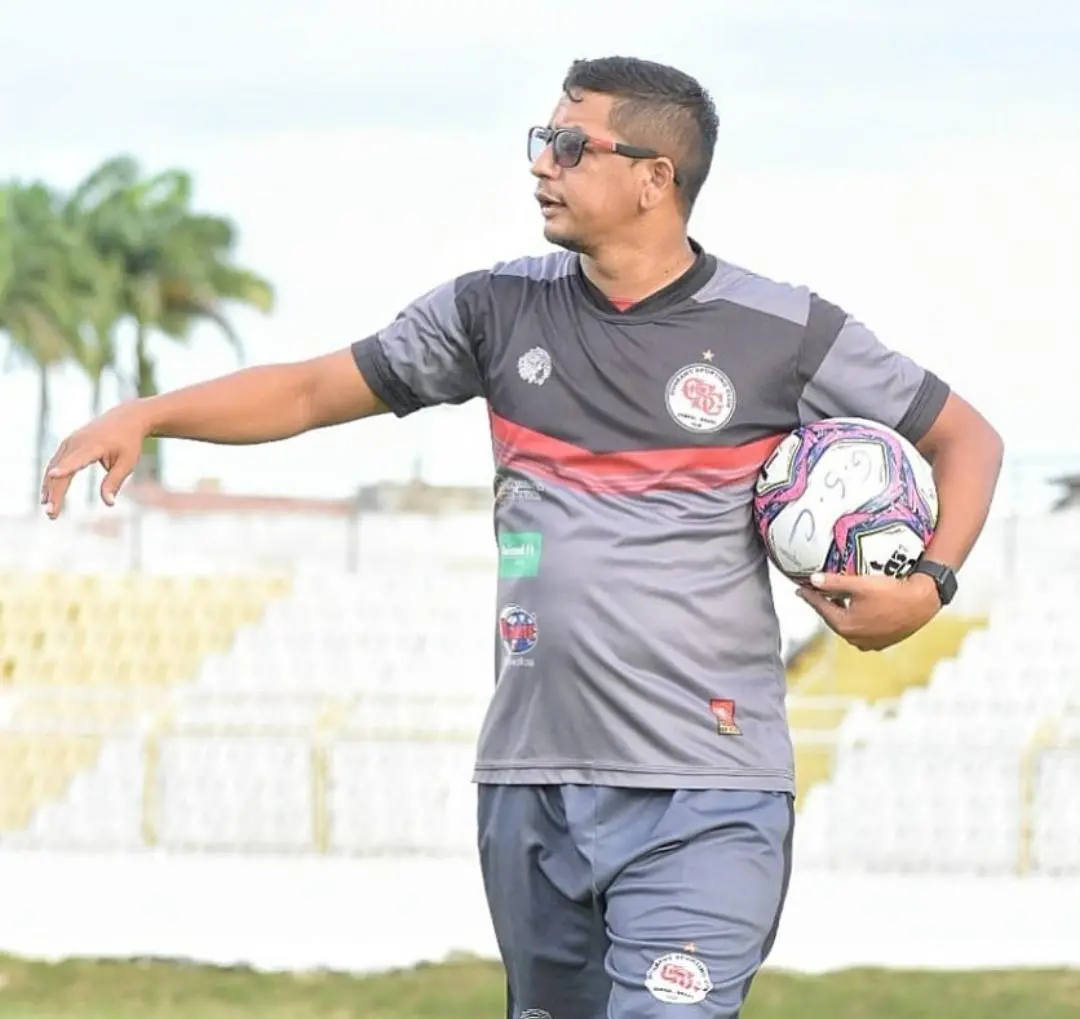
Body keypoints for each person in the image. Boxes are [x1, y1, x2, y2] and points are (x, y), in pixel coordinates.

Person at [43, 56, 1003, 1019]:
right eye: (542, 140)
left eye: (569, 144)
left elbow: (967, 439)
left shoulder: (780, 329)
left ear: (653, 178)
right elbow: (308, 391)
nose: (542, 163)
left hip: (705, 796)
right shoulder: (495, 309)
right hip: (531, 781)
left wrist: (929, 585)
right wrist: (150, 413)